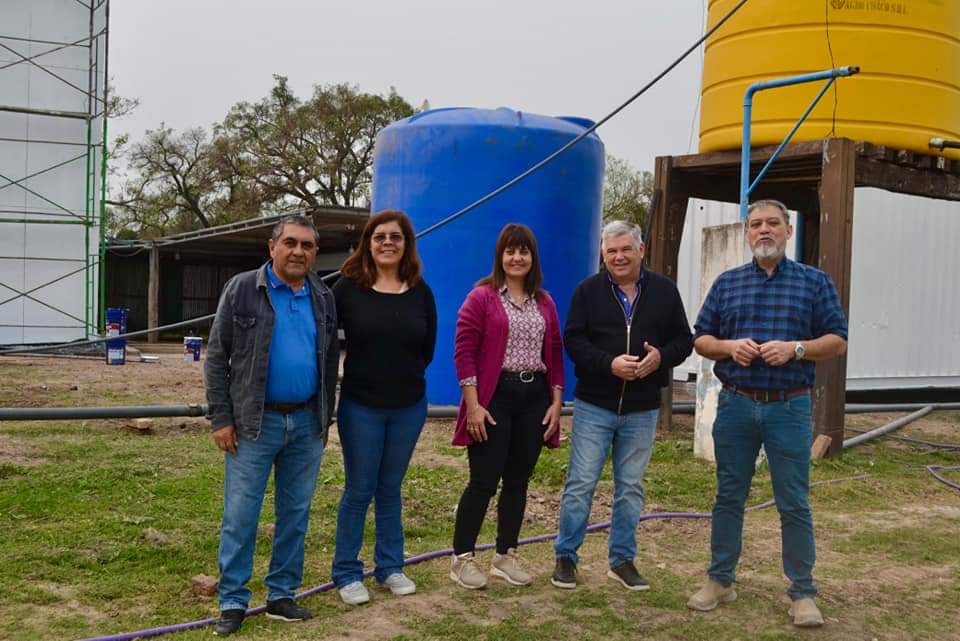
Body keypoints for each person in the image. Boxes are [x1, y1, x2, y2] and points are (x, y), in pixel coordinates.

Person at [687, 199, 848, 628]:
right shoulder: (728, 283)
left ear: (787, 230)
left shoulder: (814, 283)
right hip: (736, 404)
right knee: (728, 496)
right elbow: (701, 339)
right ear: (747, 233)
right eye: (756, 224)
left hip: (789, 407)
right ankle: (720, 579)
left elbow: (837, 340)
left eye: (772, 224)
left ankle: (802, 592)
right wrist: (728, 347)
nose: (764, 231)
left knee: (793, 501)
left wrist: (796, 348)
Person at [204, 214, 339, 636]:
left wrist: (323, 417)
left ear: (315, 253)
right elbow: (216, 357)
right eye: (291, 243)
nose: (299, 251)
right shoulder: (243, 289)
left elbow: (329, 359)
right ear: (272, 247)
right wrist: (221, 418)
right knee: (241, 515)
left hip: (305, 422)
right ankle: (232, 601)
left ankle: (281, 594)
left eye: (307, 246)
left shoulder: (322, 295)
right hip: (252, 424)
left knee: (295, 514)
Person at [552, 220, 693, 591]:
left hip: (642, 409)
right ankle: (566, 557)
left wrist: (660, 358)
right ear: (603, 254)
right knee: (581, 483)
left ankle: (622, 560)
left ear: (641, 250)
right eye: (611, 251)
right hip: (595, 405)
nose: (618, 256)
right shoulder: (588, 291)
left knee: (630, 487)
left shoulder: (664, 291)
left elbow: (684, 339)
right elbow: (573, 340)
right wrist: (607, 363)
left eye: (625, 249)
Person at [449, 223, 564, 589]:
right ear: (500, 256)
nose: (517, 257)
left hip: (534, 398)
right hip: (493, 397)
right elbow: (464, 353)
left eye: (524, 251)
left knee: (518, 481)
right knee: (484, 481)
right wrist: (474, 406)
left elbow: (556, 353)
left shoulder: (545, 302)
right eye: (510, 251)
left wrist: (556, 402)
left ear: (533, 258)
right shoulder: (482, 297)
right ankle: (462, 559)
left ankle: (505, 555)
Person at [331, 210, 437, 606]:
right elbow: (327, 342)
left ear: (406, 243)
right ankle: (346, 572)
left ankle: (390, 567)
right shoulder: (347, 289)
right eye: (380, 237)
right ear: (368, 244)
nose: (388, 243)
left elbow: (427, 349)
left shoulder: (420, 291)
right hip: (362, 405)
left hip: (408, 406)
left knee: (390, 488)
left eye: (396, 237)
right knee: (359, 489)